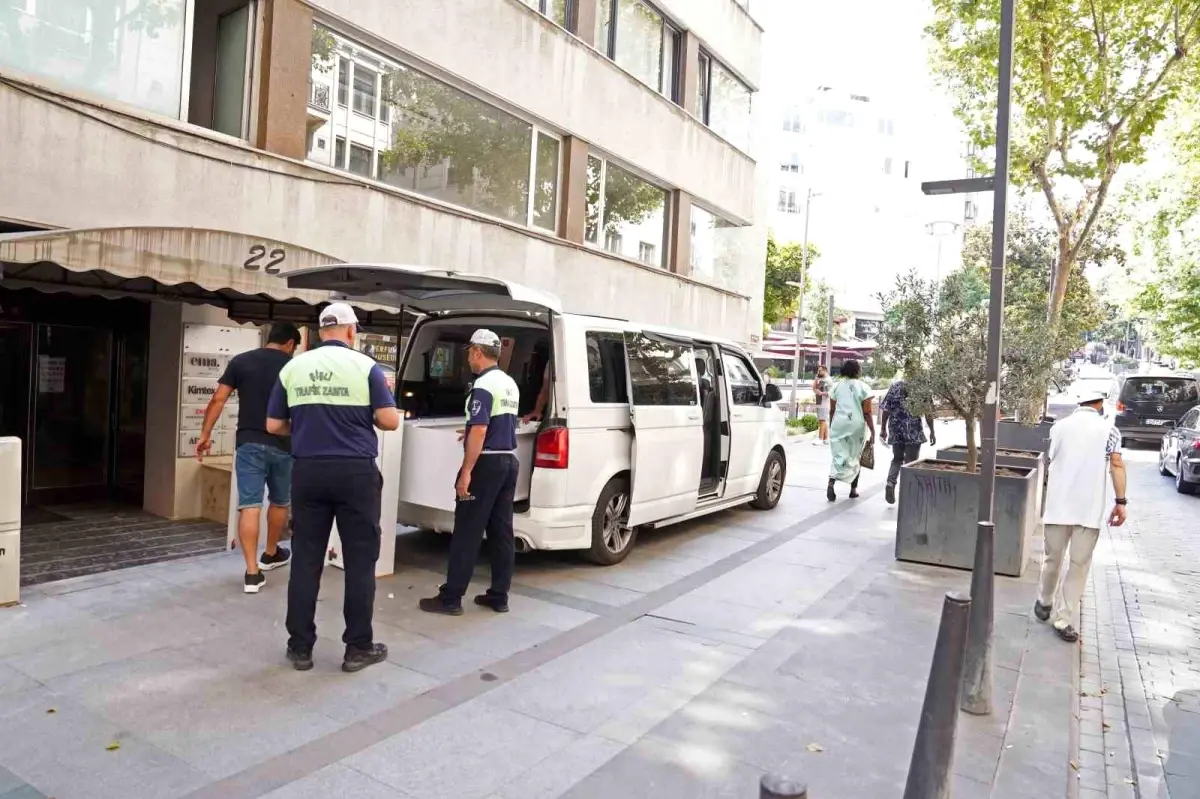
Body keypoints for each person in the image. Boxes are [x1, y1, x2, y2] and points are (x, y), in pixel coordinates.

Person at [266, 303, 401, 673]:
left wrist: (310, 428)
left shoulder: (293, 368)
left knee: (306, 558)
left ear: (320, 331)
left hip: (308, 470)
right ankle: (358, 647)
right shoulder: (365, 367)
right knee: (359, 560)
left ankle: (300, 647)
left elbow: (273, 424)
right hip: (355, 473)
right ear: (351, 331)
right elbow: (390, 421)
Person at [420, 329, 520, 616]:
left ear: (477, 352)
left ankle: (451, 597)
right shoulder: (508, 383)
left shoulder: (483, 385)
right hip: (506, 461)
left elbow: (480, 427)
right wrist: (472, 435)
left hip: (485, 466)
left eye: (469, 352)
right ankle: (499, 595)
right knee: (501, 531)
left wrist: (466, 471)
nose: (468, 357)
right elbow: (496, 424)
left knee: (467, 531)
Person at [196, 322, 302, 594]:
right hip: (284, 443)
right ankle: (270, 553)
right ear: (290, 343)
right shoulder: (294, 367)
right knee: (280, 501)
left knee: (250, 504)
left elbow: (218, 399)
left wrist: (205, 434)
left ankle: (252, 573)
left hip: (249, 443)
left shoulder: (241, 361)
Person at [1035, 390, 1127, 642]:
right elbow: (1116, 464)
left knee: (1052, 558)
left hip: (1058, 505)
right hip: (1089, 508)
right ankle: (1063, 619)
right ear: (1100, 403)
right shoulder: (1110, 430)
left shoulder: (1059, 427)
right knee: (1078, 564)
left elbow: (1048, 459)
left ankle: (1044, 601)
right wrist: (1120, 502)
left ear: (1080, 401)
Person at [879, 373, 936, 505]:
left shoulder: (895, 386)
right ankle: (907, 493)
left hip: (896, 428)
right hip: (913, 429)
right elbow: (928, 413)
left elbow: (886, 410)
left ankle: (890, 482)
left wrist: (883, 429)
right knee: (911, 462)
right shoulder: (922, 388)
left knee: (897, 459)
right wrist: (932, 431)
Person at [826, 358, 875, 502]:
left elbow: (832, 409)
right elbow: (867, 412)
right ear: (857, 371)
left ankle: (831, 482)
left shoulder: (836, 386)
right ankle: (853, 489)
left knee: (838, 455)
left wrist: (831, 425)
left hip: (839, 424)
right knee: (855, 456)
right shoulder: (864, 387)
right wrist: (872, 429)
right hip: (856, 426)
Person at [812, 366, 832, 445]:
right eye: (818, 371)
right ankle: (826, 439)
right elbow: (814, 387)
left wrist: (821, 393)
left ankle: (820, 439)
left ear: (824, 371)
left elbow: (831, 392)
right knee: (823, 420)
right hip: (819, 402)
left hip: (825, 403)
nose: (818, 372)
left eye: (820, 371)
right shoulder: (819, 379)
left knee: (822, 421)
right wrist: (816, 389)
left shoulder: (829, 380)